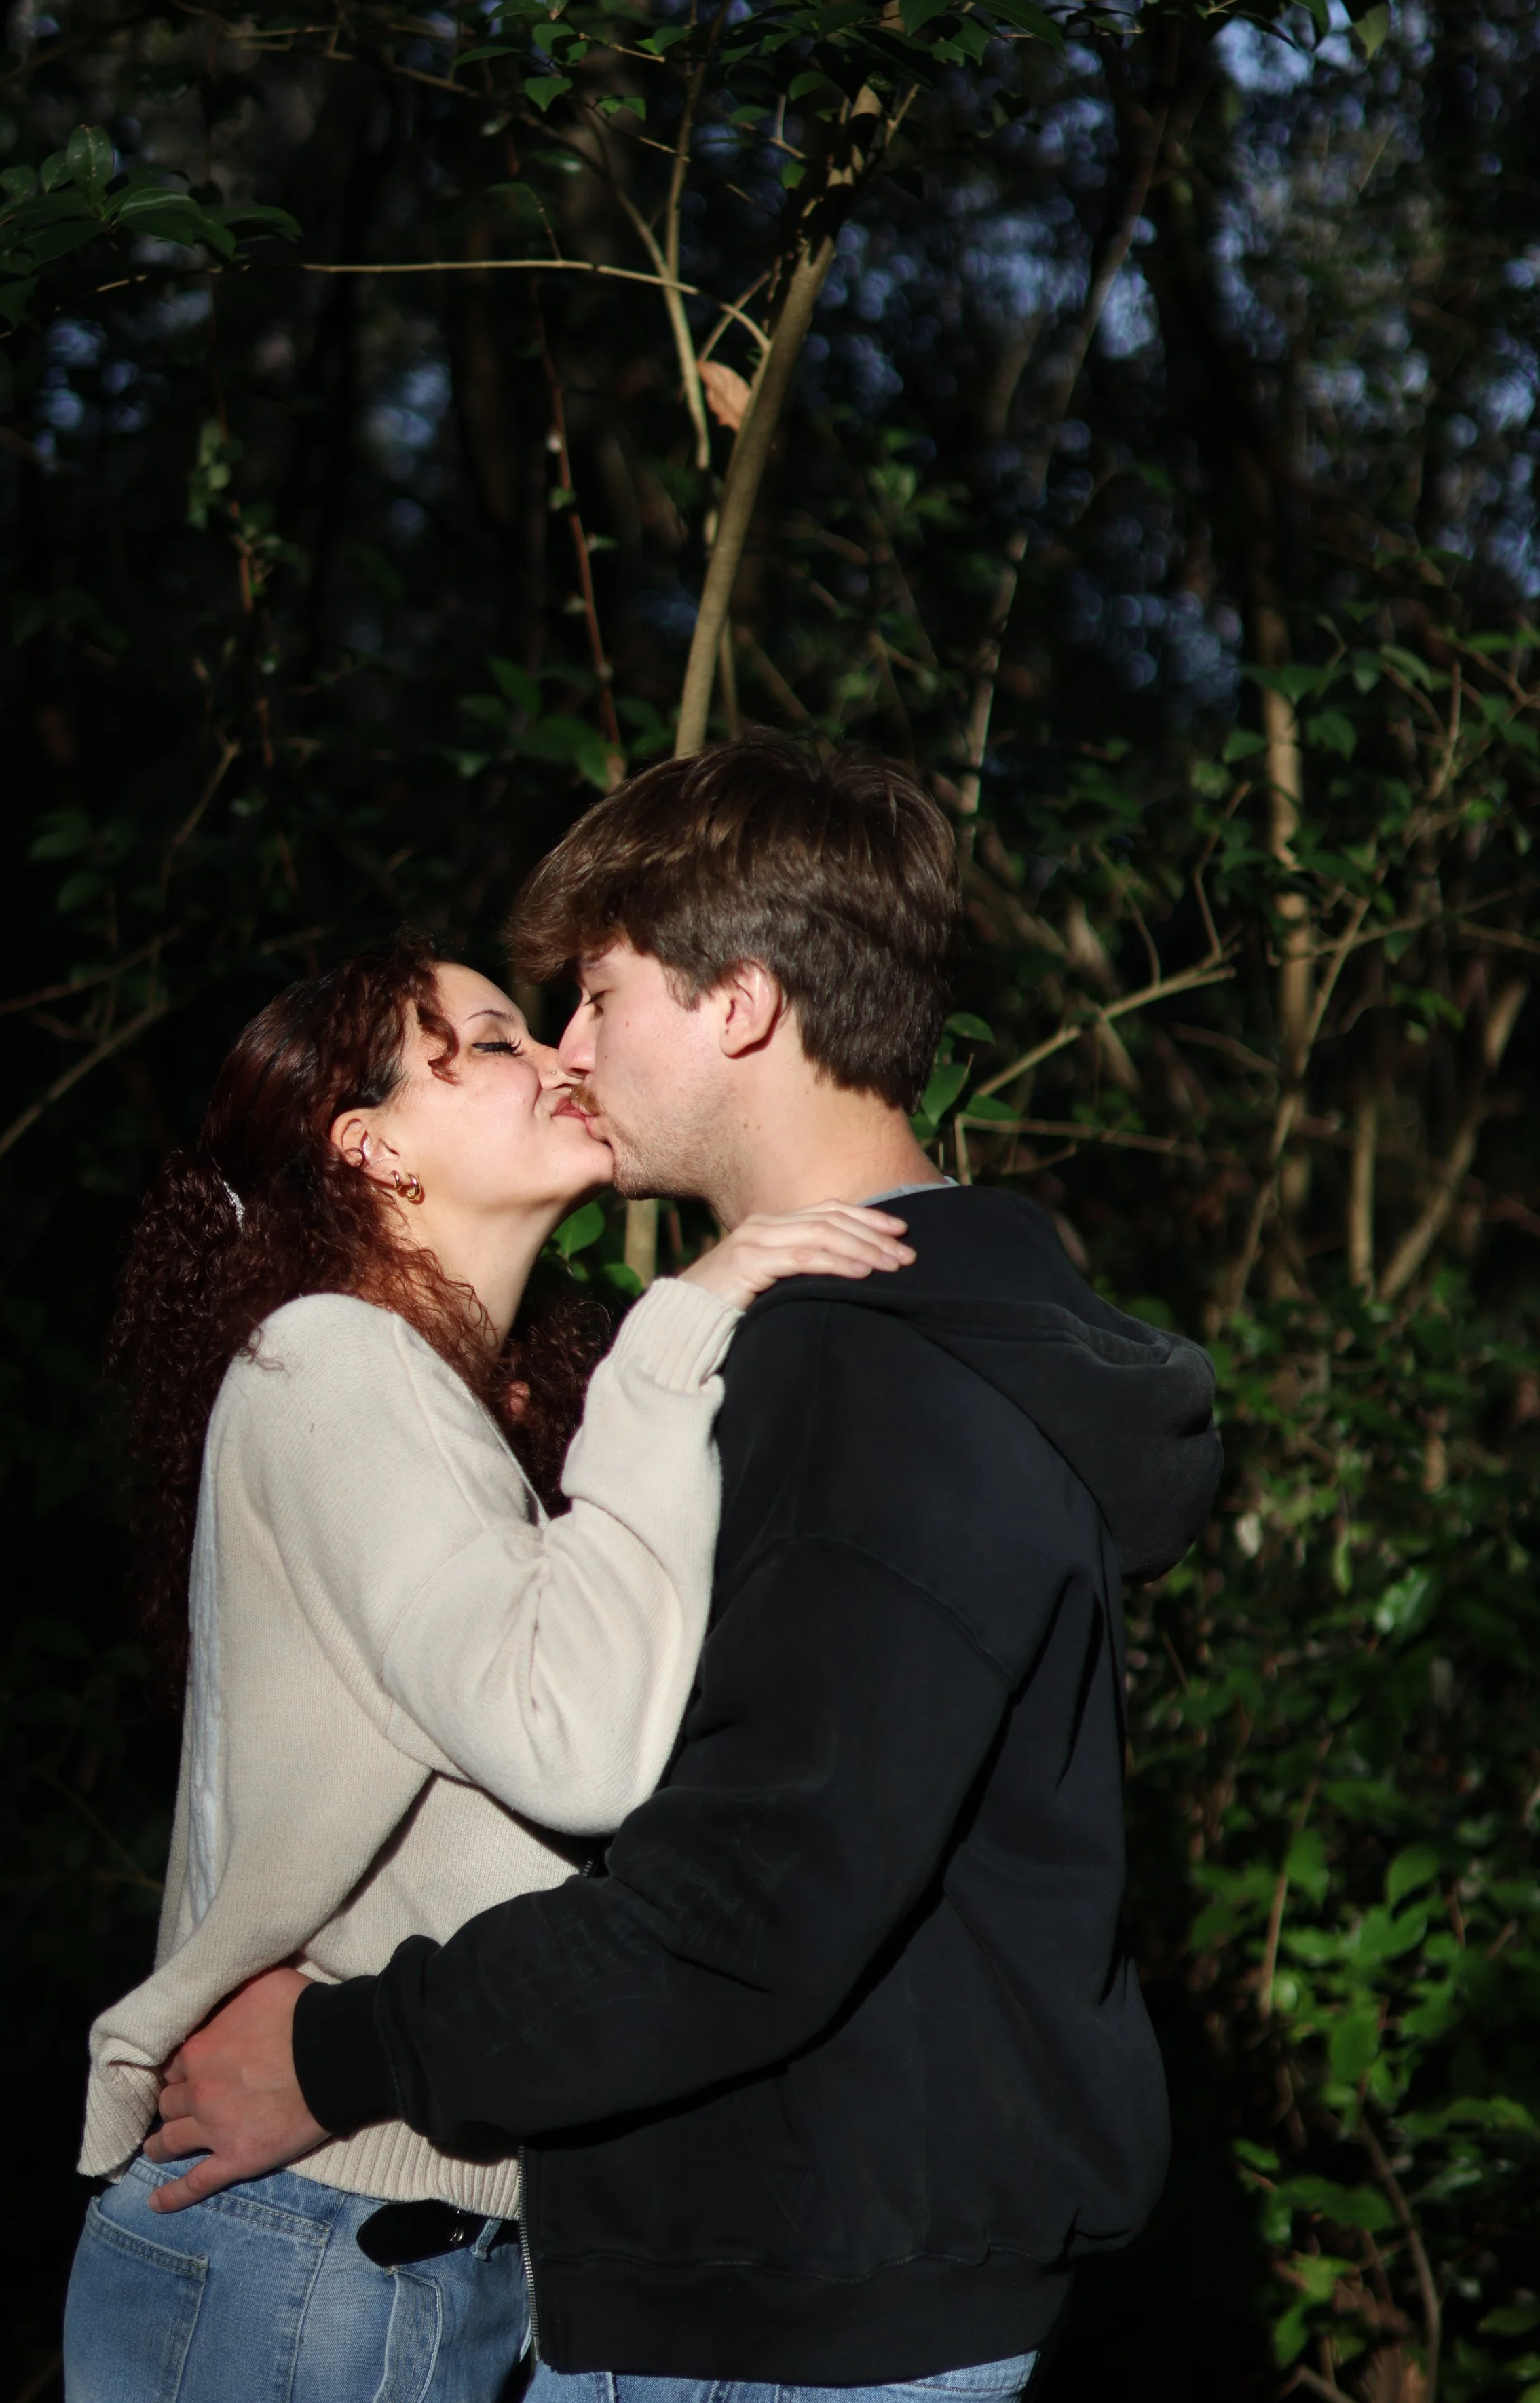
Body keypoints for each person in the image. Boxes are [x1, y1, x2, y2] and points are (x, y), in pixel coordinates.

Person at [143, 740, 1224, 2403]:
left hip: (783, 2312)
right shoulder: (786, 1355)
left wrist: (348, 2052)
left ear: (737, 1004)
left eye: (589, 996)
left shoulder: (874, 1378)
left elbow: (737, 1907)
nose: (570, 1050)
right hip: (735, 2279)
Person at [62, 931, 912, 2403]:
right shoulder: (329, 1359)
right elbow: (575, 1749)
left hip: (397, 2240)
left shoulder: (448, 1405)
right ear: (371, 1143)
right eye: (499, 1039)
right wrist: (677, 1336)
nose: (559, 1059)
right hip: (309, 2242)